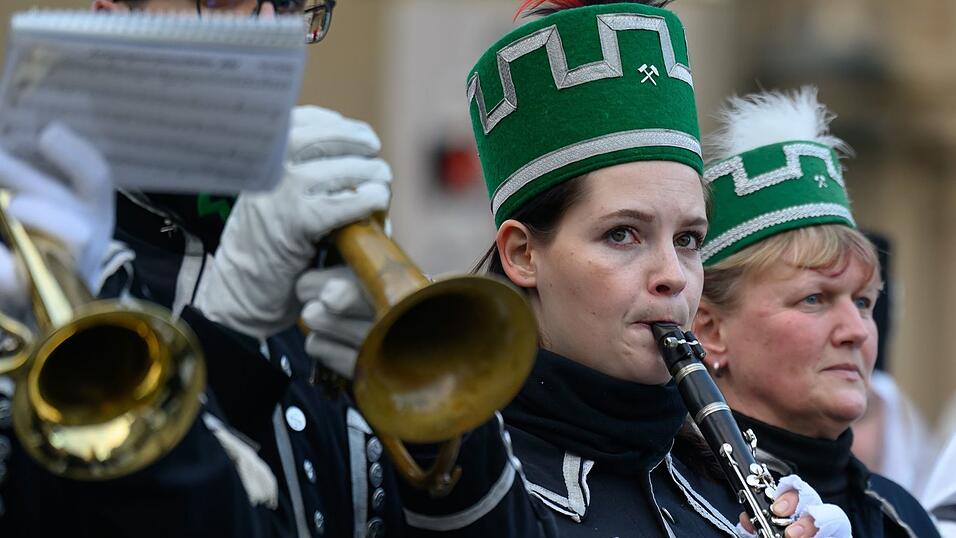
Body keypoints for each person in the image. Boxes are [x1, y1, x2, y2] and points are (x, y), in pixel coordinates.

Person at [0, 1, 544, 536]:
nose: (271, 32)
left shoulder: (320, 248)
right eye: (223, 2)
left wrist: (428, 403)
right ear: (115, 18)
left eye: (289, 6)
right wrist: (226, 342)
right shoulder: (38, 276)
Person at [309, 1, 852, 536]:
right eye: (623, 234)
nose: (674, 275)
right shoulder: (438, 476)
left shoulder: (727, 494)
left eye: (688, 239)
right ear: (522, 253)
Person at [691, 86, 940, 537]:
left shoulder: (900, 518)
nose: (857, 331)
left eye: (863, 302)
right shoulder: (665, 500)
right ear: (709, 329)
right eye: (814, 299)